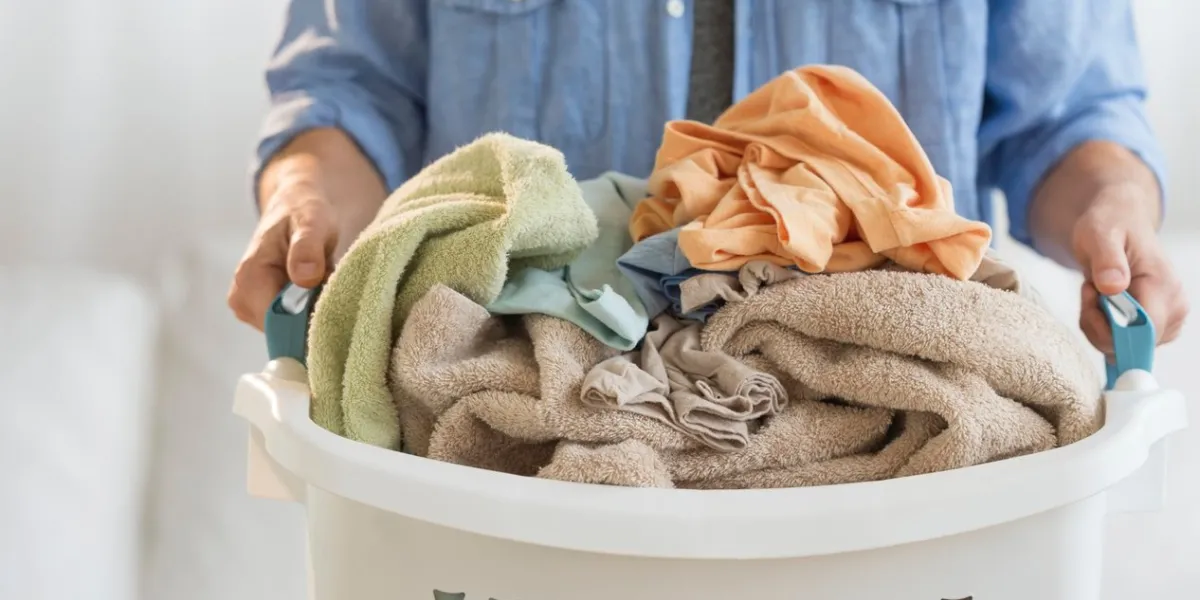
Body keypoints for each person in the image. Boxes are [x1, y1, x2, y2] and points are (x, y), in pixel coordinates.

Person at [229, 0, 1188, 355]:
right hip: (514, 449)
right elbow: (352, 97)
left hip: (888, 452)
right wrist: (305, 201)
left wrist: (1115, 209)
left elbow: (1068, 121)